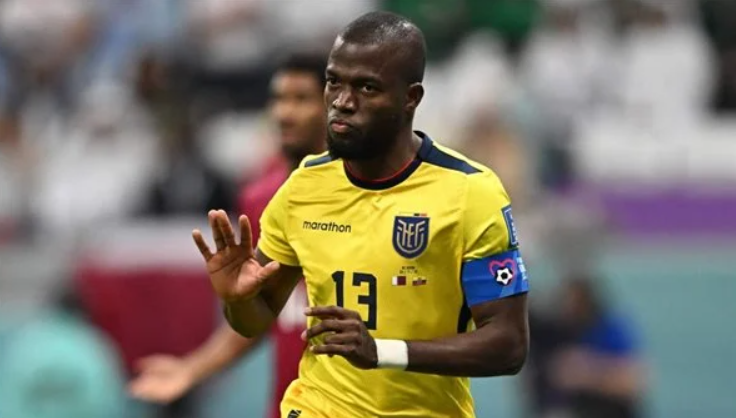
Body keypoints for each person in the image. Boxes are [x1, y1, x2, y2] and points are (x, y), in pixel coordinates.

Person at [193, 11, 530, 418]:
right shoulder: (304, 187)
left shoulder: (470, 193)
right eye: (334, 82)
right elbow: (255, 319)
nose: (343, 102)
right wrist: (237, 299)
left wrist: (381, 352)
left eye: (366, 87)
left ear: (411, 98)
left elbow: (509, 344)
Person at [128, 53, 328, 418]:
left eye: (301, 99)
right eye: (278, 99)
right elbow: (262, 313)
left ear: (334, 107)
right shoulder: (259, 198)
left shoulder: (365, 198)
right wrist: (193, 368)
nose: (284, 112)